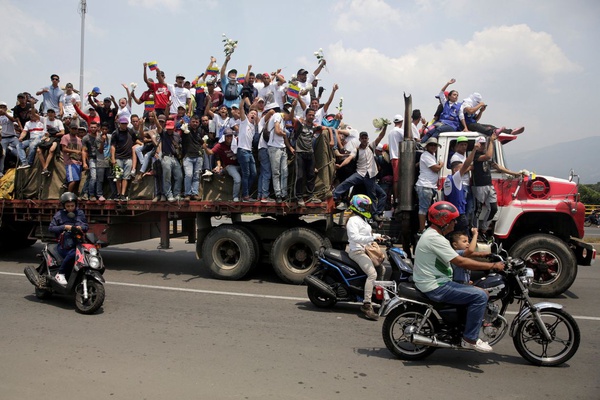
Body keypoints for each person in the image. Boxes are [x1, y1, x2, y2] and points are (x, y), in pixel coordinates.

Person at [413, 201, 504, 352]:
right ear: (444, 221)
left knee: (478, 289)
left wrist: (487, 256)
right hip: (436, 286)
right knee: (480, 296)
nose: (455, 223)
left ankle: (463, 326)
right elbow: (461, 261)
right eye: (452, 220)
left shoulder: (432, 235)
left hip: (435, 281)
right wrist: (492, 266)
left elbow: (463, 255)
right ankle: (470, 338)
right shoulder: (435, 238)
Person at [334, 128, 388, 221]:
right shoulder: (356, 150)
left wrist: (385, 126)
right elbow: (349, 158)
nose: (364, 139)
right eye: (362, 138)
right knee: (348, 182)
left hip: (370, 175)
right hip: (360, 173)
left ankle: (375, 215)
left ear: (367, 139)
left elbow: (381, 136)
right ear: (359, 139)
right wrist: (341, 165)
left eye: (365, 138)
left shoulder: (372, 146)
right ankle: (334, 195)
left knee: (372, 195)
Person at [346, 194, 384, 321]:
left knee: (382, 269)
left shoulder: (362, 219)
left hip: (366, 250)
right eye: (365, 206)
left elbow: (368, 234)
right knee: (372, 274)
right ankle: (367, 305)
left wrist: (380, 236)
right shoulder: (353, 221)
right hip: (357, 252)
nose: (367, 209)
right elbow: (355, 238)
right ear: (358, 206)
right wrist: (372, 238)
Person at [48, 192, 89, 285]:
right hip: (63, 246)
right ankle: (60, 273)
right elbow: (51, 228)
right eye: (68, 206)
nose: (70, 208)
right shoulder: (59, 215)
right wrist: (65, 227)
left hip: (78, 243)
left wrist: (80, 227)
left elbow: (86, 226)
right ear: (64, 206)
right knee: (74, 254)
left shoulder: (80, 213)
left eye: (72, 205)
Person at [443, 139, 477, 232]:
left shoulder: (462, 157)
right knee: (465, 212)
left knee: (469, 210)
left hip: (465, 185)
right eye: (461, 144)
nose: (464, 147)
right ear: (456, 146)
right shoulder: (455, 157)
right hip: (461, 187)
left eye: (465, 145)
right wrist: (470, 167)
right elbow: (462, 169)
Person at [415, 137, 444, 233]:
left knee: (429, 209)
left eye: (434, 145)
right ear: (427, 146)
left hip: (430, 186)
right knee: (423, 209)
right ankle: (421, 229)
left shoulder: (431, 155)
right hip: (425, 185)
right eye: (431, 145)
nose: (433, 146)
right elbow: (435, 168)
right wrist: (441, 164)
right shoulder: (426, 155)